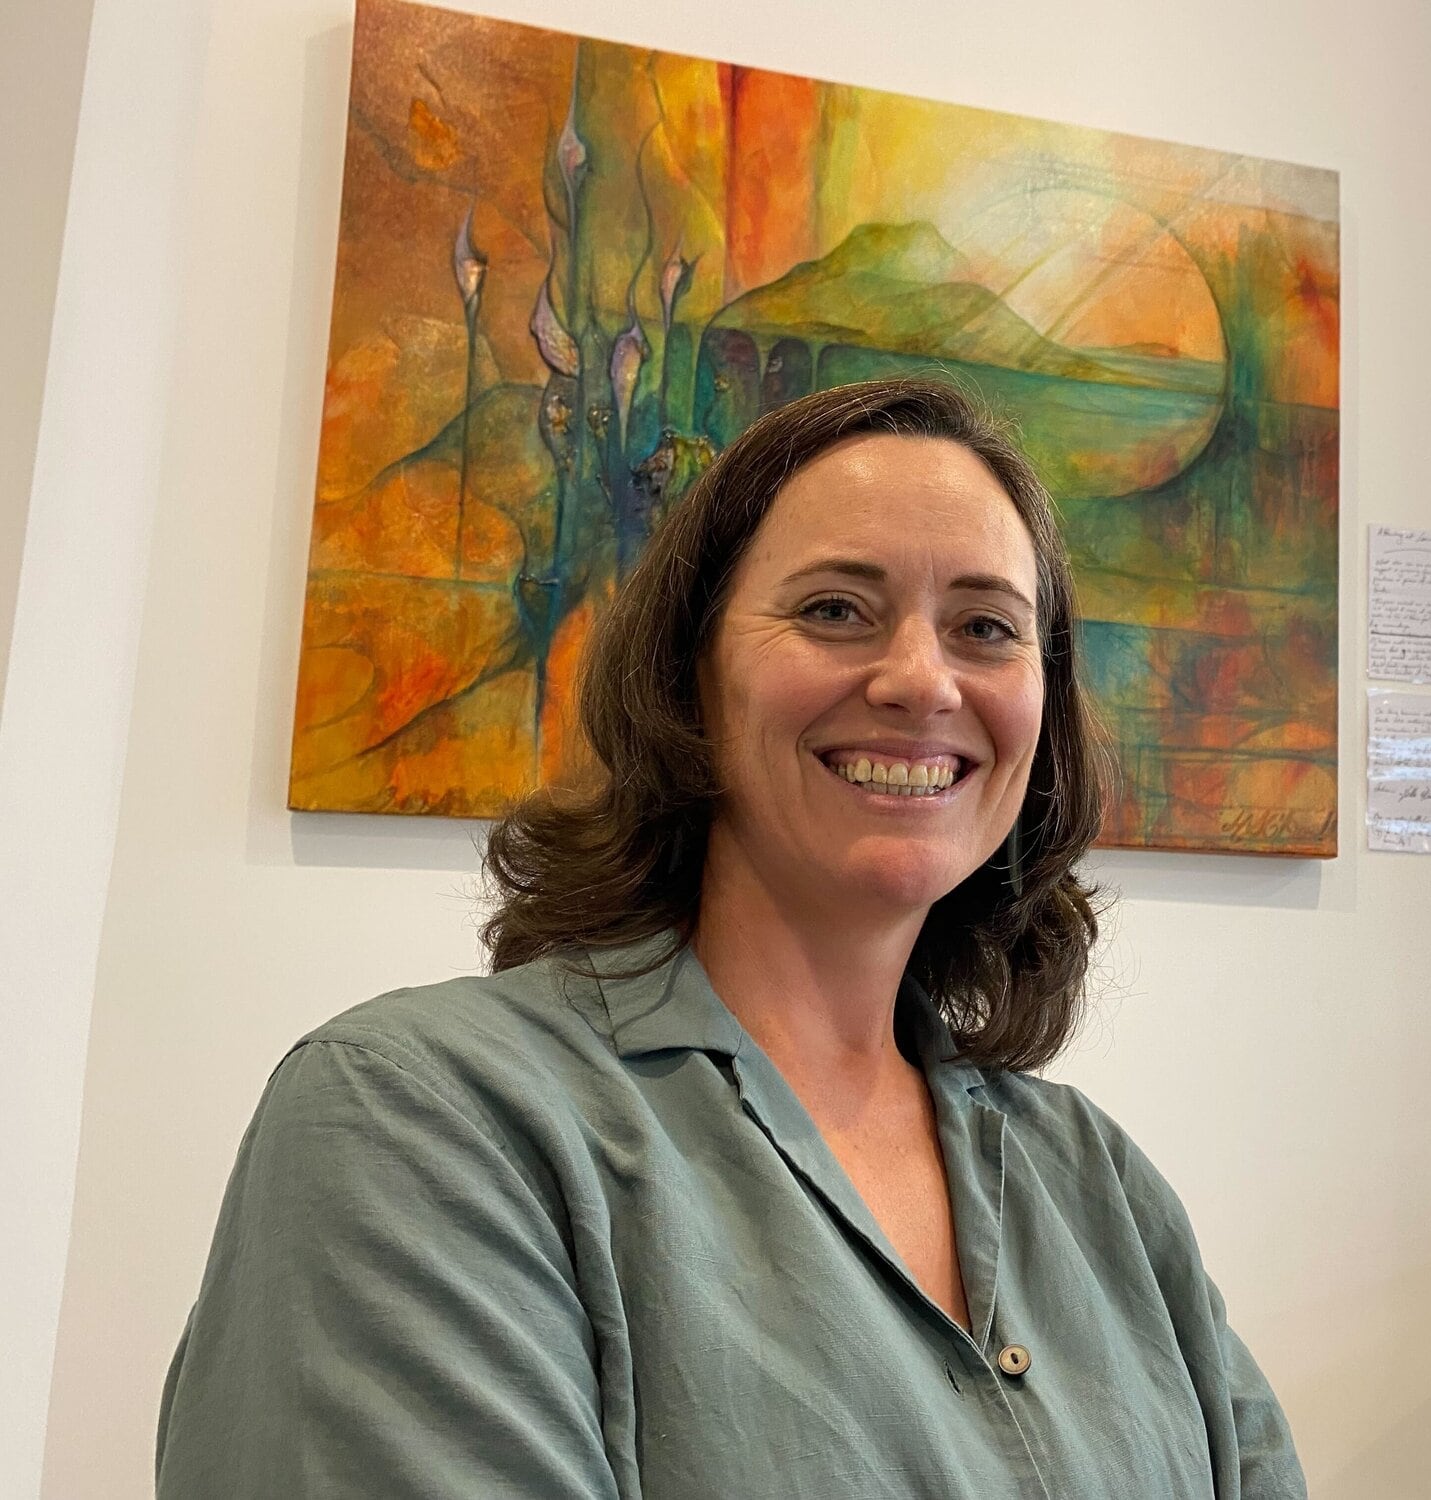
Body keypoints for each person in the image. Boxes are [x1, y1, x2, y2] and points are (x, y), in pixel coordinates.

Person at [156, 378, 1306, 1498]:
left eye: (986, 628)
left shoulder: (1099, 1185)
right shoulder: (417, 1119)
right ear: (688, 675)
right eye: (833, 610)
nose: (920, 679)